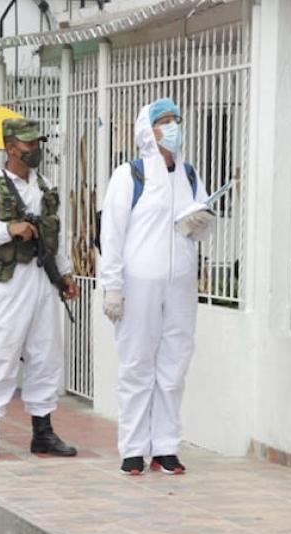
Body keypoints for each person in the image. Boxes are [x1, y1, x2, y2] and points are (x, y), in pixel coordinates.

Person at [98, 98, 214, 477]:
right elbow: (111, 235)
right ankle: (133, 448)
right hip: (139, 283)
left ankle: (165, 447)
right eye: (164, 121)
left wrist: (199, 224)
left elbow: (199, 223)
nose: (172, 127)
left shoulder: (190, 174)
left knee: (174, 363)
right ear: (147, 129)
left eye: (176, 120)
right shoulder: (129, 176)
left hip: (179, 283)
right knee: (136, 365)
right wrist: (111, 286)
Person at [0, 118, 80, 460]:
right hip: (7, 280)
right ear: (10, 147)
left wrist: (66, 274)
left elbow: (57, 235)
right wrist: (9, 229)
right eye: (28, 145)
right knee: (1, 352)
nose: (35, 150)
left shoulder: (44, 185)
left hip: (42, 278)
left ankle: (43, 432)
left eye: (37, 144)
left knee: (46, 354)